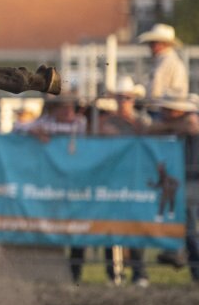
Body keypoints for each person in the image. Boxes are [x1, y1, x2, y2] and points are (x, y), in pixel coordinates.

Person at [16, 92, 91, 283]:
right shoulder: (47, 123)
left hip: (71, 184)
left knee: (75, 229)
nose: (68, 111)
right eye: (63, 107)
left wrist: (44, 131)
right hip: (51, 186)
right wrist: (35, 130)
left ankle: (74, 275)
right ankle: (50, 273)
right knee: (49, 229)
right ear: (53, 109)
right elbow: (18, 127)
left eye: (71, 107)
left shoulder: (79, 123)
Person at [95, 76, 151, 286]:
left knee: (135, 226)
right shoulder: (107, 122)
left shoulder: (142, 121)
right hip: (114, 179)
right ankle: (114, 274)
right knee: (112, 227)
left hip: (135, 179)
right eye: (120, 97)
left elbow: (148, 137)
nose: (123, 101)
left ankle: (140, 273)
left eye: (127, 97)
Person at [148, 95, 199, 282]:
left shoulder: (191, 120)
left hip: (192, 180)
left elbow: (191, 125)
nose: (164, 112)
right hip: (179, 181)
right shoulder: (171, 123)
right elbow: (150, 129)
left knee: (188, 225)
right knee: (184, 223)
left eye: (169, 109)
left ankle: (182, 257)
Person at [138, 23, 188, 101]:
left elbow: (157, 91)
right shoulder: (165, 61)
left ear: (163, 44)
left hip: (164, 108)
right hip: (162, 107)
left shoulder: (169, 62)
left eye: (153, 43)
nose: (150, 46)